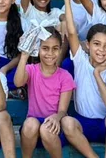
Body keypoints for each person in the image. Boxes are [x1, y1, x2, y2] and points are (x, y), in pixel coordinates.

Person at [61, 0, 106, 158]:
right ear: (88, 45)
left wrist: (97, 74)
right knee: (66, 122)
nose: (101, 50)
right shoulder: (81, 60)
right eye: (96, 44)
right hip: (83, 123)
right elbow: (72, 33)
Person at [14, 28, 75, 158]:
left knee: (46, 129)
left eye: (55, 48)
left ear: (60, 50)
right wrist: (24, 55)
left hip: (54, 130)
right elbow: (18, 82)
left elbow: (62, 111)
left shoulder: (65, 76)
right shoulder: (31, 70)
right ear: (38, 49)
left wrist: (56, 117)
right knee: (30, 124)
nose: (50, 53)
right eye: (45, 48)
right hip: (32, 131)